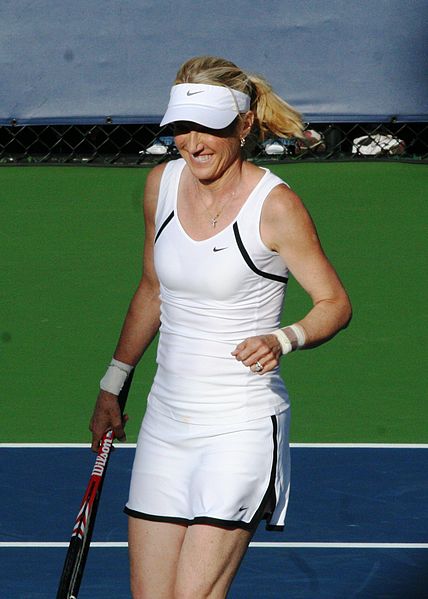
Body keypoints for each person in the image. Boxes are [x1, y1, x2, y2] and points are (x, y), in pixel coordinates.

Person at [90, 55, 352, 599]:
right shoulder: (160, 185)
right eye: (182, 128)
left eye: (208, 126)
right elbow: (151, 289)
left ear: (243, 124)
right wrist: (113, 384)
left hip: (241, 426)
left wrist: (284, 338)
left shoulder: (276, 206)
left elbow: (333, 302)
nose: (193, 142)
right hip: (165, 422)